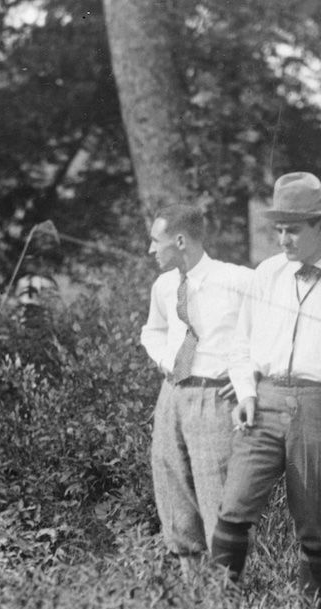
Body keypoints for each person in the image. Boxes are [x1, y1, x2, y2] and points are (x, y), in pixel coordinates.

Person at [211, 172, 321, 605]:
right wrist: (245, 392)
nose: (283, 239)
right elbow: (240, 341)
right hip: (264, 402)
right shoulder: (266, 274)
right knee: (234, 505)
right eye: (278, 229)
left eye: (293, 229)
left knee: (318, 518)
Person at [140, 203, 253, 562]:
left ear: (180, 240)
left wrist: (249, 379)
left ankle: (228, 596)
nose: (151, 250)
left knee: (216, 496)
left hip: (214, 397)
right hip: (172, 394)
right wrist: (164, 361)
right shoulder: (164, 286)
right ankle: (193, 597)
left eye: (156, 241)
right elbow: (152, 331)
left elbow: (266, 335)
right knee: (171, 487)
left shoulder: (237, 280)